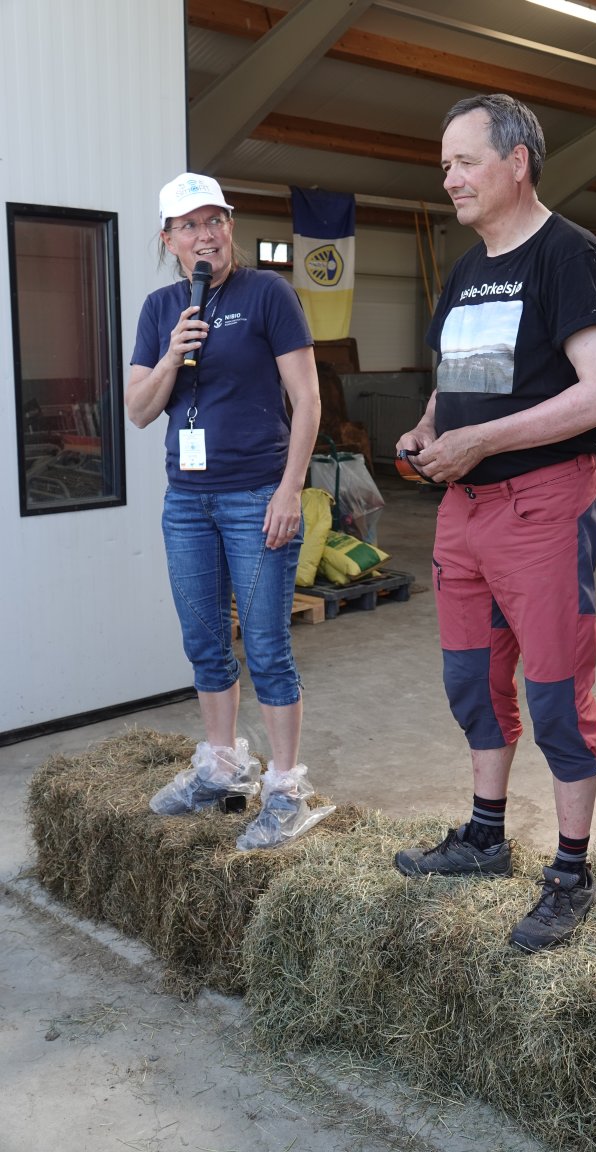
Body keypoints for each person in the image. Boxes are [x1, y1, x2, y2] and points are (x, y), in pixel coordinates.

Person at [393, 95, 596, 952]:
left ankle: (571, 870)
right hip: (464, 512)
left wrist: (482, 439)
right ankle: (485, 836)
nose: (448, 177)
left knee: (556, 693)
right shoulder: (465, 268)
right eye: (445, 164)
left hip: (540, 505)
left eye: (464, 162)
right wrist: (427, 429)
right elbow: (455, 376)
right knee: (471, 681)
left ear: (517, 162)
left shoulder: (569, 255)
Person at [126, 172, 323, 846]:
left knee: (266, 646)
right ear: (168, 238)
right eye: (189, 225)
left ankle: (287, 787)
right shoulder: (160, 311)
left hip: (254, 497)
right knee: (205, 641)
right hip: (187, 501)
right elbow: (139, 411)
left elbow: (308, 399)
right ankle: (223, 767)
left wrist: (290, 488)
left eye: (216, 220)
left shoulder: (268, 294)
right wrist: (171, 360)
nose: (205, 234)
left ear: (229, 226)